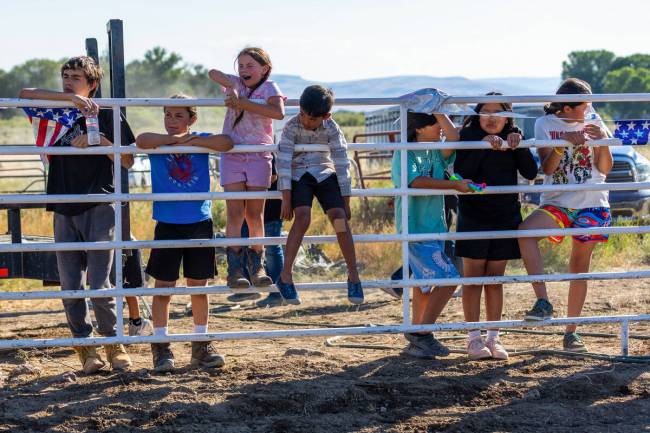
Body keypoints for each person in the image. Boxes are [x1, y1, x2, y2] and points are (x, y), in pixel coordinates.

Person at [19, 56, 134, 373]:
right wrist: (70, 98)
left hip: (99, 201)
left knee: (100, 284)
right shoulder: (54, 109)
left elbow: (128, 161)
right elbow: (25, 93)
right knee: (70, 284)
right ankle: (85, 347)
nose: (69, 80)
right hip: (62, 203)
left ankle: (114, 344)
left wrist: (101, 142)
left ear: (93, 83)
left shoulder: (108, 111)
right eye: (65, 76)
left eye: (76, 77)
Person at [135, 94, 233, 372]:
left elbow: (226, 143)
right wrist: (175, 141)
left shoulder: (200, 139)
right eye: (167, 115)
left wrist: (192, 140)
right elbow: (141, 140)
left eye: (179, 116)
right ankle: (161, 345)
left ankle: (200, 343)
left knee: (198, 285)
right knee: (163, 286)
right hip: (167, 221)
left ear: (192, 118)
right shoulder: (158, 143)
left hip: (199, 220)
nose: (172, 121)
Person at [519, 78, 612, 352]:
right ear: (568, 108)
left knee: (579, 267)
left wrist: (603, 142)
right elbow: (547, 168)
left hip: (593, 200)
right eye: (584, 104)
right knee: (525, 233)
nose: (590, 107)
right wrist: (564, 144)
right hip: (558, 200)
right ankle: (543, 301)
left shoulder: (595, 118)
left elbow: (604, 169)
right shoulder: (545, 124)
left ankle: (572, 332)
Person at [454, 93, 538, 360]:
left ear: (508, 116)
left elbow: (530, 173)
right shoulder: (467, 135)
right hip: (474, 213)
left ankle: (494, 338)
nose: (491, 117)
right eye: (485, 111)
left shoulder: (515, 135)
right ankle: (473, 339)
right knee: (473, 276)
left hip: (505, 213)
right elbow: (460, 171)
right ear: (478, 113)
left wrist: (519, 145)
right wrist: (482, 145)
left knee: (495, 278)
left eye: (497, 112)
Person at [391, 110, 475, 358]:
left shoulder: (435, 150)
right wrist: (453, 185)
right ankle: (422, 334)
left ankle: (418, 333)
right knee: (449, 278)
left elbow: (454, 137)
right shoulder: (405, 151)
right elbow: (415, 182)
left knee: (423, 284)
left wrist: (438, 110)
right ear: (418, 128)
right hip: (416, 227)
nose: (440, 128)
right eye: (434, 123)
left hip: (434, 226)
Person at [276, 85, 362, 305]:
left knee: (340, 219)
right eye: (303, 114)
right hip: (298, 174)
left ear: (326, 116)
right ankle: (285, 276)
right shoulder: (291, 127)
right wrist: (285, 197)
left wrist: (346, 200)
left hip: (324, 172)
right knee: (302, 216)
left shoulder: (332, 128)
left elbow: (342, 162)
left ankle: (353, 277)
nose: (306, 121)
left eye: (312, 119)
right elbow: (284, 162)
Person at [208, 47, 285, 290]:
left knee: (254, 214)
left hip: (258, 155)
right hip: (233, 153)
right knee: (234, 213)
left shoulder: (270, 88)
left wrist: (244, 103)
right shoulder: (236, 84)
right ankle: (236, 269)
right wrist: (231, 86)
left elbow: (278, 112)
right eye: (240, 65)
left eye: (250, 65)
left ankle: (257, 265)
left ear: (265, 68)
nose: (244, 70)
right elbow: (212, 72)